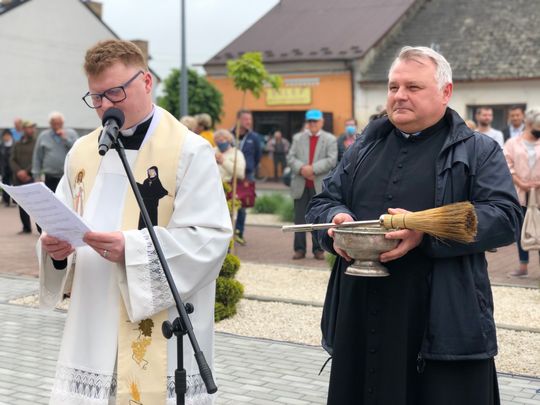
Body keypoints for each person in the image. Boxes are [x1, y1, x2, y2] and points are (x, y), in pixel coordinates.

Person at [306, 46, 521, 405]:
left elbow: (505, 217)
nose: (399, 95)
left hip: (441, 316)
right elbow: (322, 202)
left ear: (446, 92)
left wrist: (426, 231)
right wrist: (335, 226)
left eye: (413, 87)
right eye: (393, 87)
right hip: (360, 311)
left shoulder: (478, 150)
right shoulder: (363, 147)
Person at [38, 39, 232, 404]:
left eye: (115, 92)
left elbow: (210, 238)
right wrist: (57, 250)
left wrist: (131, 248)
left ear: (146, 82)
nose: (105, 106)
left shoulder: (189, 151)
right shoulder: (82, 151)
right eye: (96, 97)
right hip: (92, 315)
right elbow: (62, 218)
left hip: (158, 322)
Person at [288, 109, 337, 260]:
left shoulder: (330, 139)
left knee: (318, 219)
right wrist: (302, 168)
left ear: (321, 122)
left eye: (315, 121)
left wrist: (313, 169)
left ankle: (319, 249)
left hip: (319, 186)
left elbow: (332, 159)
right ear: (307, 122)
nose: (312, 124)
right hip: (300, 185)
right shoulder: (298, 138)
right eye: (310, 121)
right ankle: (299, 249)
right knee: (299, 220)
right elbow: (290, 157)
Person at [503, 107, 540, 277]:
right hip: (520, 193)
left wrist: (537, 183)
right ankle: (523, 267)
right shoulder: (512, 143)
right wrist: (521, 182)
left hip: (538, 192)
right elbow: (507, 164)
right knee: (521, 230)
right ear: (529, 124)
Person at [232, 109, 261, 245]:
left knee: (242, 206)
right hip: (230, 174)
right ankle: (227, 235)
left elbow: (258, 156)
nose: (249, 122)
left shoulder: (254, 137)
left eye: (250, 119)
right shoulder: (229, 135)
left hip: (246, 175)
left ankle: (239, 233)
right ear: (238, 120)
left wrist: (250, 167)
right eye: (245, 119)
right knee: (227, 204)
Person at [32, 111, 78, 192]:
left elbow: (77, 150)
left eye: (59, 123)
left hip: (67, 176)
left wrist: (66, 139)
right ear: (50, 124)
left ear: (63, 123)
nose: (56, 126)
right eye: (54, 124)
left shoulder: (71, 134)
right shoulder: (43, 136)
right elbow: (37, 157)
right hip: (50, 177)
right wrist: (36, 176)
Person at [9, 120, 37, 233]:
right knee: (22, 204)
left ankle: (41, 229)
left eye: (33, 128)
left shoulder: (36, 143)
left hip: (31, 177)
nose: (32, 130)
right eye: (29, 128)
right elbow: (12, 159)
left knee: (36, 204)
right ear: (24, 129)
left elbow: (37, 159)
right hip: (18, 177)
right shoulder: (17, 143)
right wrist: (19, 171)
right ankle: (26, 227)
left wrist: (26, 172)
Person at [0, 129, 14, 206]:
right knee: (6, 185)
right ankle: (6, 201)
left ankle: (15, 201)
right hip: (4, 168)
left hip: (13, 168)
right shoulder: (1, 145)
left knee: (15, 185)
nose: (6, 137)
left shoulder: (15, 144)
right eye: (4, 136)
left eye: (7, 135)